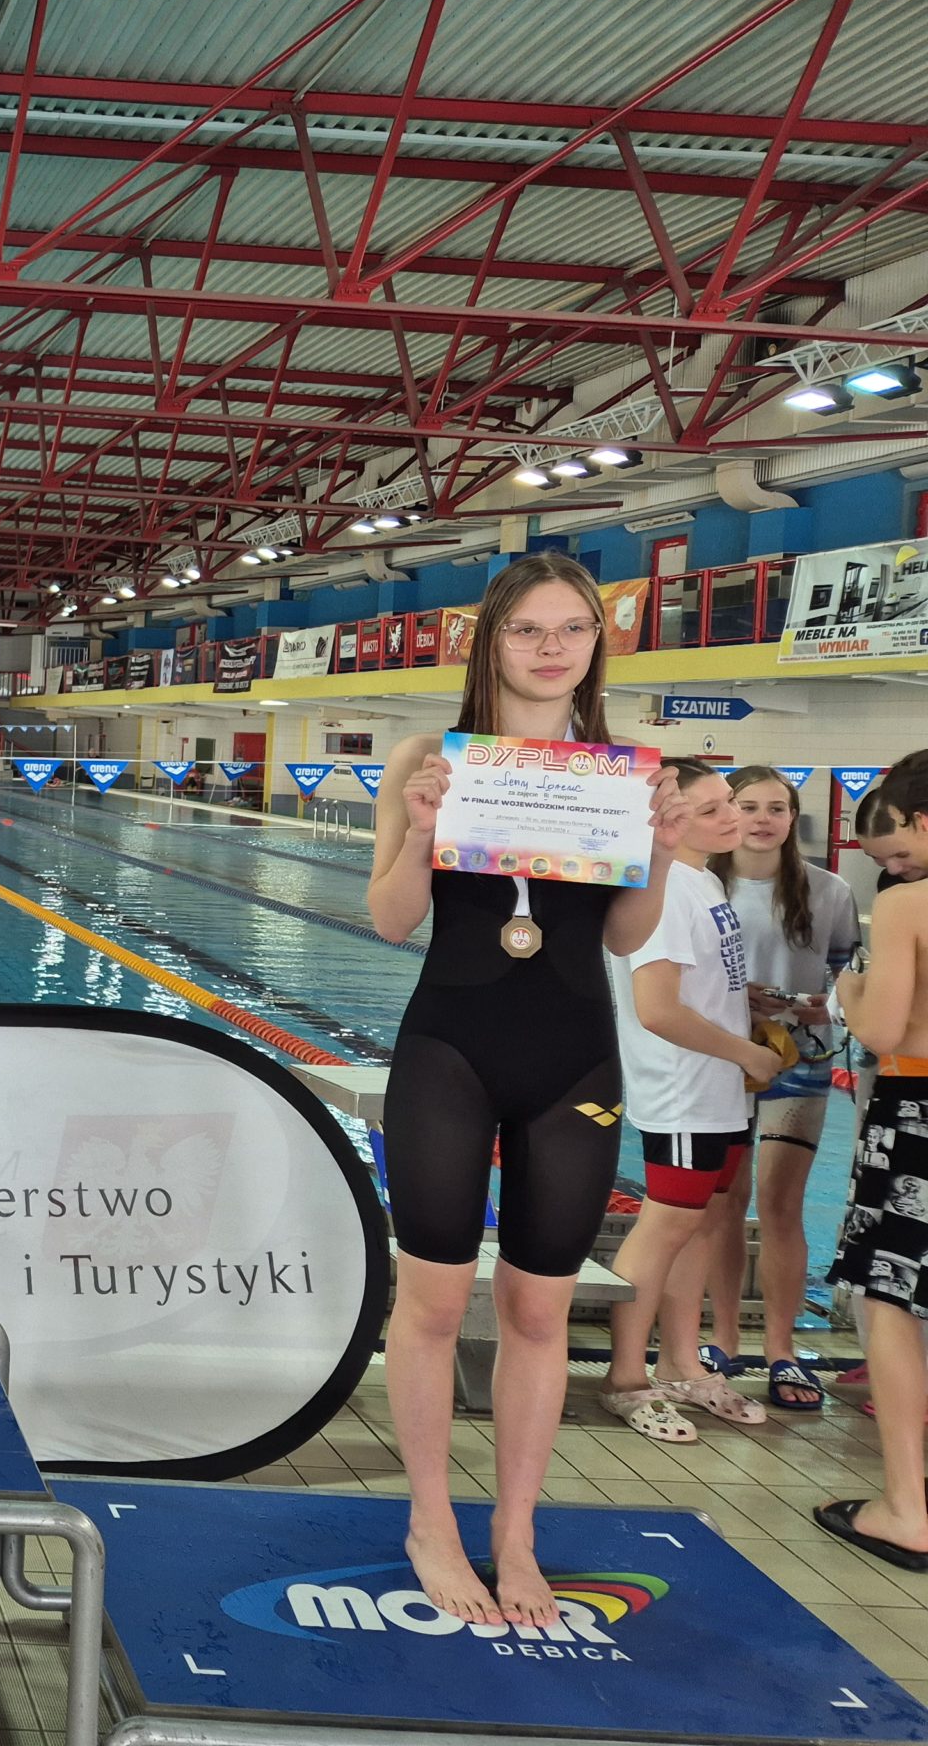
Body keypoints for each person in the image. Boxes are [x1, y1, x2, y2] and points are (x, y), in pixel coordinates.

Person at [368, 553, 683, 1630]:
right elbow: (391, 920)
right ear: (489, 640)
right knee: (433, 1301)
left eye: (573, 629)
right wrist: (421, 827)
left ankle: (516, 1532)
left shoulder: (619, 774)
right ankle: (429, 1521)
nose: (553, 648)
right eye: (528, 629)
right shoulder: (426, 757)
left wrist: (661, 852)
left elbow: (624, 940)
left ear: (597, 643)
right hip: (449, 1049)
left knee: (541, 1307)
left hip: (573, 1055)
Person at [596, 761, 782, 1442]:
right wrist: (746, 1054)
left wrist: (742, 1003)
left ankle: (680, 1363)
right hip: (684, 1090)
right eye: (711, 811)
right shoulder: (667, 886)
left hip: (716, 1089)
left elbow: (693, 984)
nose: (732, 817)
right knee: (665, 1228)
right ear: (668, 821)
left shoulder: (702, 878)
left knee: (701, 1226)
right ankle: (624, 1377)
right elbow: (657, 1010)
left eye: (728, 801)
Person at [695, 767, 859, 1410]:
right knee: (723, 1205)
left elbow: (848, 972)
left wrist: (830, 1004)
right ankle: (724, 1339)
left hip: (801, 1060)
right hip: (722, 1059)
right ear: (728, 812)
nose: (762, 819)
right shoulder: (702, 884)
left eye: (777, 808)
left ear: (793, 818)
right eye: (749, 806)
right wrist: (738, 997)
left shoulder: (830, 890)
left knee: (782, 1206)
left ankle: (782, 1350)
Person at [818, 751, 928, 1569]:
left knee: (889, 1303)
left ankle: (905, 1509)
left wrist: (847, 992)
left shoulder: (906, 905)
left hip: (917, 1110)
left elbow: (882, 1029)